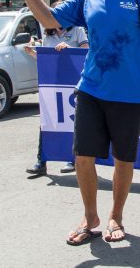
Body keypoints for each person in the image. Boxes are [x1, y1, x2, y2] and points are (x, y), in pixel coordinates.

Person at [10, 0, 140, 245]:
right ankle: (91, 217)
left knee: (124, 160)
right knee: (83, 157)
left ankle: (116, 217)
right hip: (92, 89)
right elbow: (50, 20)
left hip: (130, 92)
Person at [25, 22, 89, 176]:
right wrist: (32, 53)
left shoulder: (77, 30)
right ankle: (41, 161)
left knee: (73, 122)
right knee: (47, 122)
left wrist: (68, 49)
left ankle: (72, 159)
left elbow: (86, 51)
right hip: (53, 84)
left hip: (73, 82)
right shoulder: (48, 34)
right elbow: (46, 58)